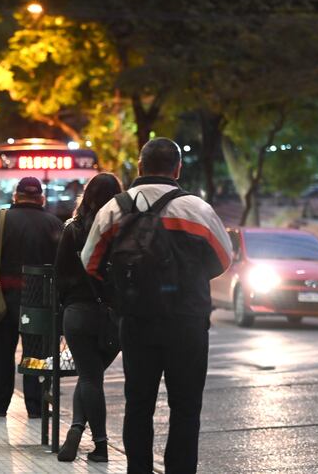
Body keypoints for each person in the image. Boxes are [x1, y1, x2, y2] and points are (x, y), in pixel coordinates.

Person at [81, 138, 231, 474]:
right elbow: (223, 258)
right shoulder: (198, 209)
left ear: (139, 166)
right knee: (186, 407)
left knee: (138, 405)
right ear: (177, 168)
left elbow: (89, 261)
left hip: (136, 321)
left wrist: (119, 294)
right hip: (188, 323)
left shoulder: (115, 209)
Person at [0, 177, 63, 418]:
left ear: (15, 196)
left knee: (0, 353)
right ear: (40, 198)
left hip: (2, 298)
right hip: (39, 302)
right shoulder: (54, 224)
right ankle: (37, 406)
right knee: (37, 354)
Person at [55, 173, 123, 463]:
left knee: (89, 377)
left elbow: (59, 275)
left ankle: (92, 439)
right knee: (91, 377)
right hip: (112, 316)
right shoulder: (123, 228)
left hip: (77, 312)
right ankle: (91, 439)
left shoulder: (72, 229)